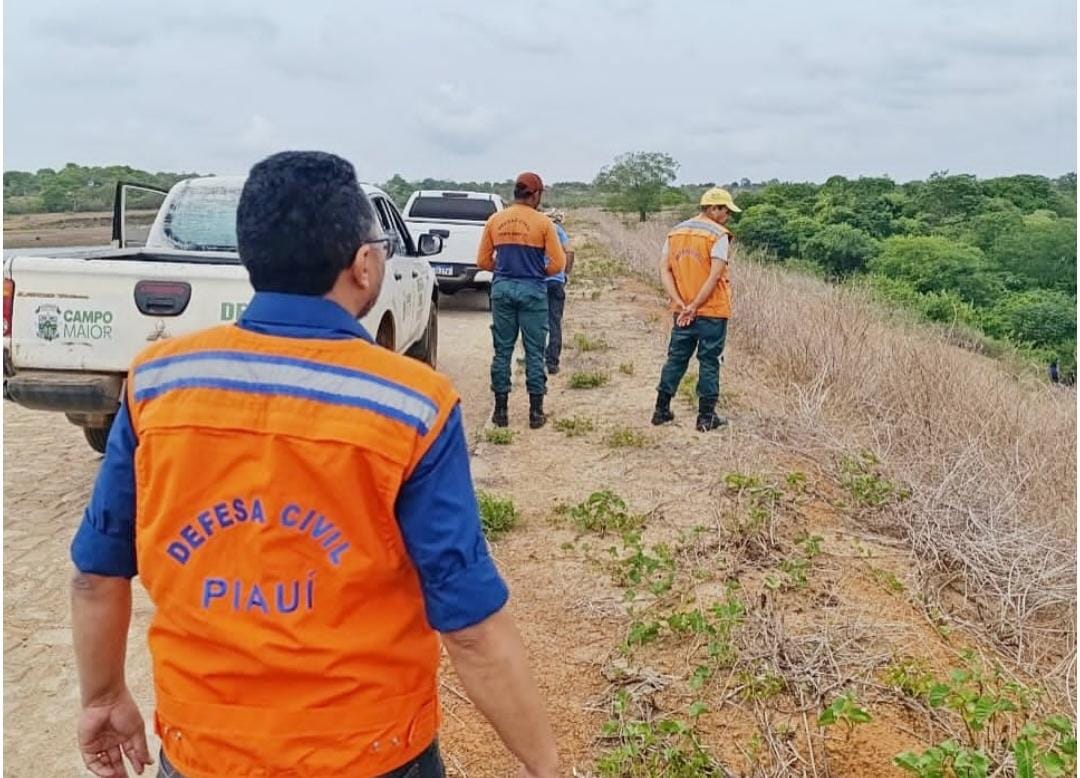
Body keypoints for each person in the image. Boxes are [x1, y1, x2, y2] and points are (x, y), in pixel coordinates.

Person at [69, 151, 559, 778]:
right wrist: (546, 765)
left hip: (205, 751)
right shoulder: (412, 404)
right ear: (364, 263)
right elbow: (469, 629)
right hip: (371, 751)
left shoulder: (158, 381)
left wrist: (104, 696)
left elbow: (95, 575)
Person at [477, 172, 566, 429]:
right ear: (536, 195)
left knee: (502, 350)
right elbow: (558, 263)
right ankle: (536, 413)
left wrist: (504, 271)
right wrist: (537, 272)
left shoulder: (496, 220)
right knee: (535, 351)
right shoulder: (543, 223)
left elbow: (482, 261)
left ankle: (501, 412)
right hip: (532, 290)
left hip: (502, 289)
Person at [652, 187, 741, 432]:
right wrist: (694, 306)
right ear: (713, 208)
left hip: (681, 311)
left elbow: (664, 270)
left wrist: (680, 303)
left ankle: (661, 409)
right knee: (710, 361)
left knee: (676, 358)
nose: (727, 216)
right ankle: (706, 417)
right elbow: (714, 276)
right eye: (725, 211)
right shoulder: (718, 235)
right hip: (711, 311)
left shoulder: (675, 232)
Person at [544, 210, 574, 374]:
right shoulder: (558, 230)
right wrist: (565, 273)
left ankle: (535, 358)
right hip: (556, 280)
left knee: (535, 322)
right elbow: (570, 251)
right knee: (554, 321)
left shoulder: (537, 227)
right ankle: (552, 362)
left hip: (538, 281)